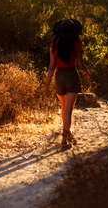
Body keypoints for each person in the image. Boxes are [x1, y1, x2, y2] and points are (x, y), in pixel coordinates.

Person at [43, 19, 91, 148]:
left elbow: (51, 67)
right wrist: (87, 72)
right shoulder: (76, 43)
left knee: (64, 107)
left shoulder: (54, 44)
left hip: (59, 77)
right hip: (71, 75)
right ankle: (64, 139)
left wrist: (46, 85)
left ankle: (68, 133)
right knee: (69, 109)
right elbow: (80, 64)